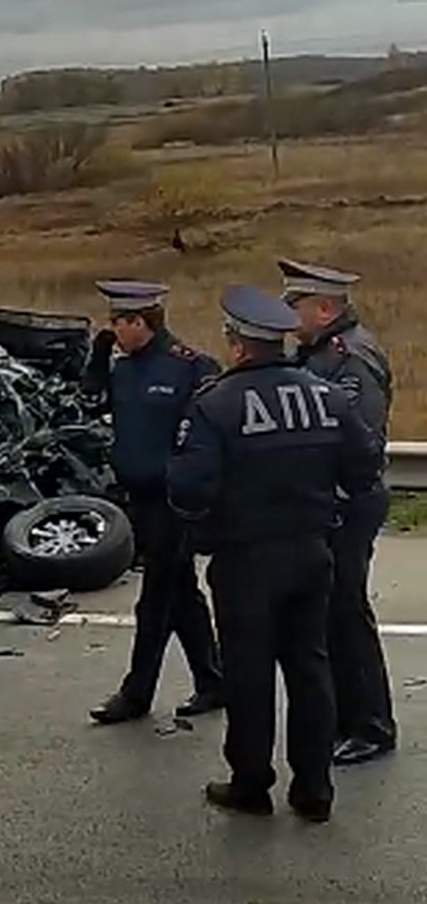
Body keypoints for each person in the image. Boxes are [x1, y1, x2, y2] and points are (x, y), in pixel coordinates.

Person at [168, 284, 384, 823]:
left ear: (239, 346)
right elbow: (363, 471)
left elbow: (188, 491)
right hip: (313, 553)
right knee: (311, 668)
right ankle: (314, 788)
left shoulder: (215, 403)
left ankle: (251, 782)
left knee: (249, 672)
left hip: (246, 560)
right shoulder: (327, 395)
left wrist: (209, 526)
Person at [82, 280, 224, 725]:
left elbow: (207, 437)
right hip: (140, 499)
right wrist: (97, 358)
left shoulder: (190, 367)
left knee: (156, 598)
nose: (114, 331)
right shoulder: (122, 368)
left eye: (118, 324)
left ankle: (136, 693)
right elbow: (90, 404)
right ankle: (213, 680)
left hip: (175, 502)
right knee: (181, 593)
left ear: (140, 322)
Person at [279, 258, 398, 766]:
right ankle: (343, 720)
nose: (290, 317)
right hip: (324, 504)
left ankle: (371, 725)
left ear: (325, 309)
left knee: (346, 614)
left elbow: (360, 442)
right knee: (326, 615)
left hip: (348, 504)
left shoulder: (352, 358)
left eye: (297, 307)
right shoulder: (316, 353)